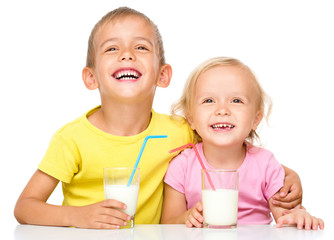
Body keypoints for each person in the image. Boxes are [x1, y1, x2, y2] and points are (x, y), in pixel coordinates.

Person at [14, 7, 302, 229]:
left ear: (163, 75)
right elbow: (25, 207)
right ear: (91, 78)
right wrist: (77, 216)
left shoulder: (179, 131)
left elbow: (238, 152)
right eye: (112, 48)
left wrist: (290, 176)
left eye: (141, 47)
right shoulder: (72, 139)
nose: (127, 55)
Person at [161, 57, 324, 230]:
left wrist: (298, 216)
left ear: (256, 119)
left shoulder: (266, 164)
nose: (222, 110)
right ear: (191, 119)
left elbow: (285, 218)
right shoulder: (182, 166)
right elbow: (166, 225)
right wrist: (186, 218)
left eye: (236, 100)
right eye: (209, 100)